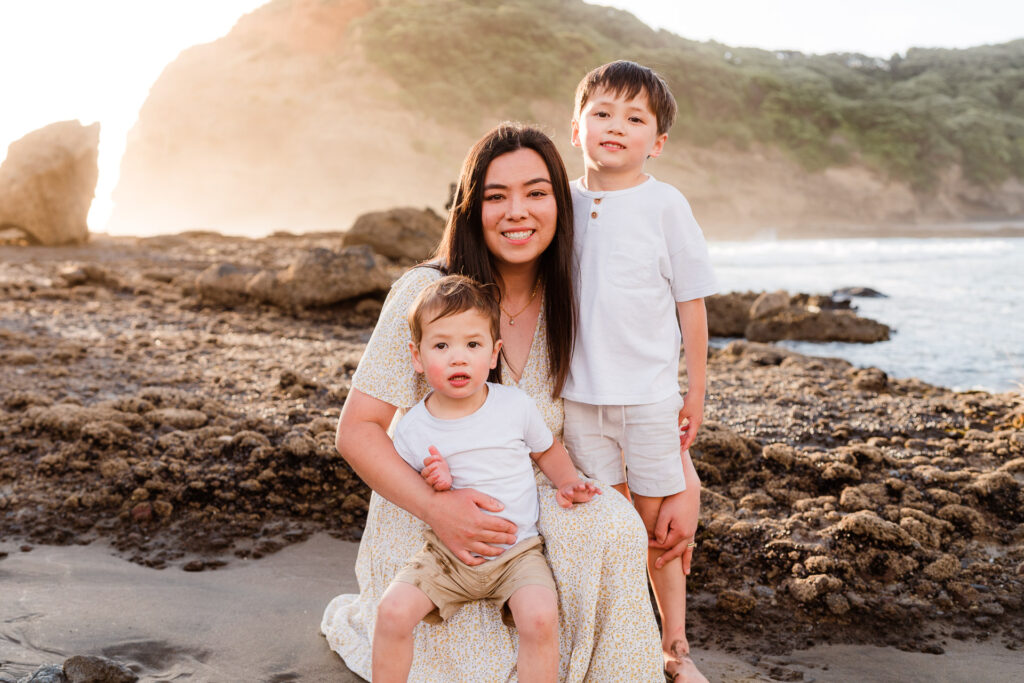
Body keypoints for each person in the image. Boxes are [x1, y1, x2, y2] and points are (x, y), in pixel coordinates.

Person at [322, 122, 676, 681]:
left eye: (536, 193)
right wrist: (439, 507)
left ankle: (628, 667)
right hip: (429, 507)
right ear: (471, 208)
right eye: (496, 196)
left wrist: (681, 481)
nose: (517, 212)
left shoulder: (576, 297)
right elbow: (358, 429)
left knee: (614, 525)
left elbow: (637, 402)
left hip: (532, 503)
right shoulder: (425, 294)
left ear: (561, 203)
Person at [562, 61, 718, 682]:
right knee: (608, 526)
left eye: (634, 119)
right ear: (576, 129)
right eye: (600, 113)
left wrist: (696, 393)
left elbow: (692, 303)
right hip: (576, 399)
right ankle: (618, 641)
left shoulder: (665, 205)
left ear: (656, 142)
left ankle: (674, 645)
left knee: (661, 529)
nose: (615, 127)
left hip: (650, 399)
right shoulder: (562, 204)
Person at [373, 274, 600, 682]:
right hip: (446, 555)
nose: (458, 357)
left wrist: (567, 481)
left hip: (518, 553)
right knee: (391, 612)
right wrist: (433, 481)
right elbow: (407, 485)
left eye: (472, 345)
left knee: (541, 617)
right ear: (417, 357)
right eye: (441, 345)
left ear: (493, 354)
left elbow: (546, 449)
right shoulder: (413, 428)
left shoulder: (513, 406)